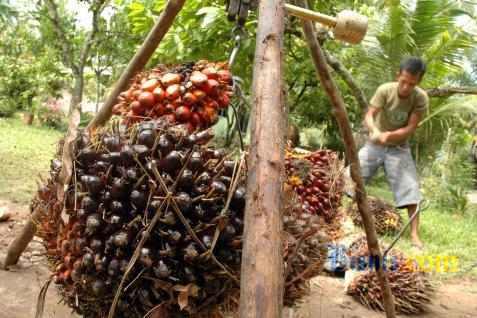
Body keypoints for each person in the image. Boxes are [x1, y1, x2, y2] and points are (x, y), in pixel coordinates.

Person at [358, 56, 428, 249]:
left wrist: (388, 136)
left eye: (411, 84)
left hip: (399, 148)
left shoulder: (420, 98)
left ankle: (415, 235)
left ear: (418, 82)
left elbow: (410, 128)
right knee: (351, 177)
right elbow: (369, 115)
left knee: (410, 188)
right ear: (398, 75)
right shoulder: (385, 90)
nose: (406, 87)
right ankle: (337, 215)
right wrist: (374, 131)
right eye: (403, 81)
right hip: (374, 143)